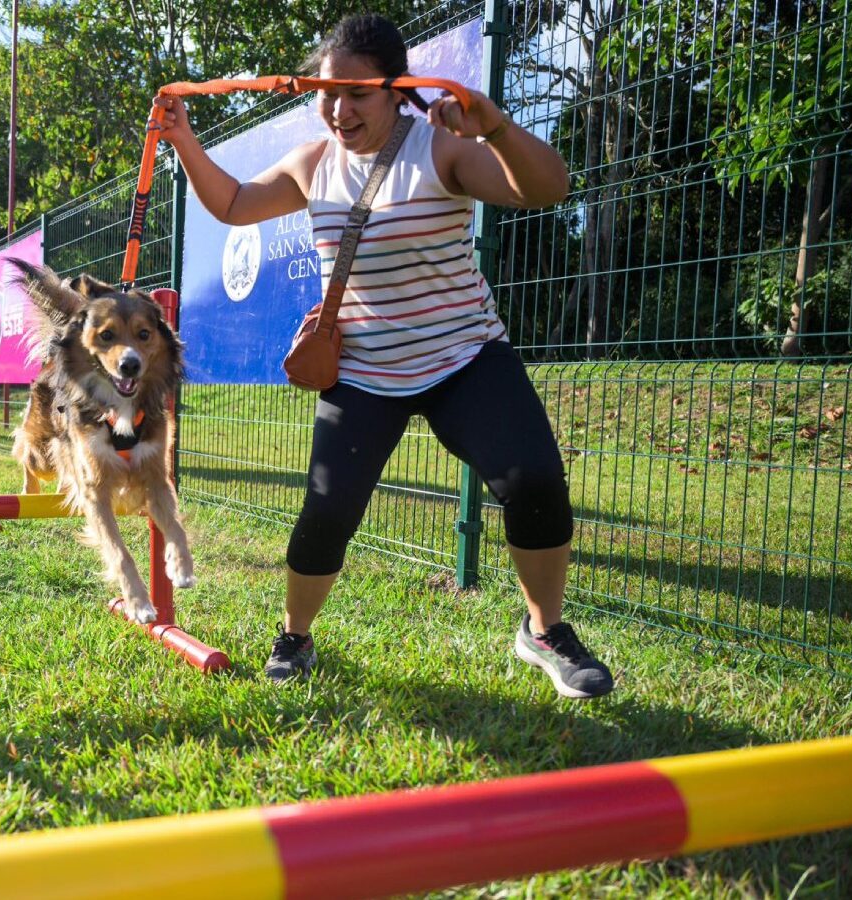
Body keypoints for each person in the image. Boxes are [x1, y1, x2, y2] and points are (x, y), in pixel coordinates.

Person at [153, 13, 613, 698]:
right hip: (365, 374)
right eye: (327, 94)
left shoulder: (440, 148)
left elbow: (549, 187)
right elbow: (235, 204)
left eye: (357, 95)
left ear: (397, 91)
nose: (339, 110)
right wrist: (184, 140)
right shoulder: (314, 163)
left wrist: (493, 126)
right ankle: (295, 635)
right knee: (325, 514)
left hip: (465, 358)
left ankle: (544, 631)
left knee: (536, 480)